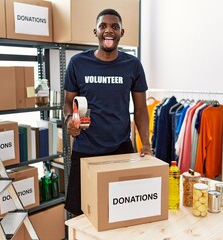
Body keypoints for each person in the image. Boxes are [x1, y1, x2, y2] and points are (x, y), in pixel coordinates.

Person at [63, 8, 152, 216]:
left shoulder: (133, 65)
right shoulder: (78, 63)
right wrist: (70, 120)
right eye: (103, 26)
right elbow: (68, 102)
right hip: (85, 149)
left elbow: (140, 109)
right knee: (81, 213)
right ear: (95, 31)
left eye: (114, 27)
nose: (108, 31)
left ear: (122, 32)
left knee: (122, 209)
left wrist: (146, 143)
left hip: (120, 148)